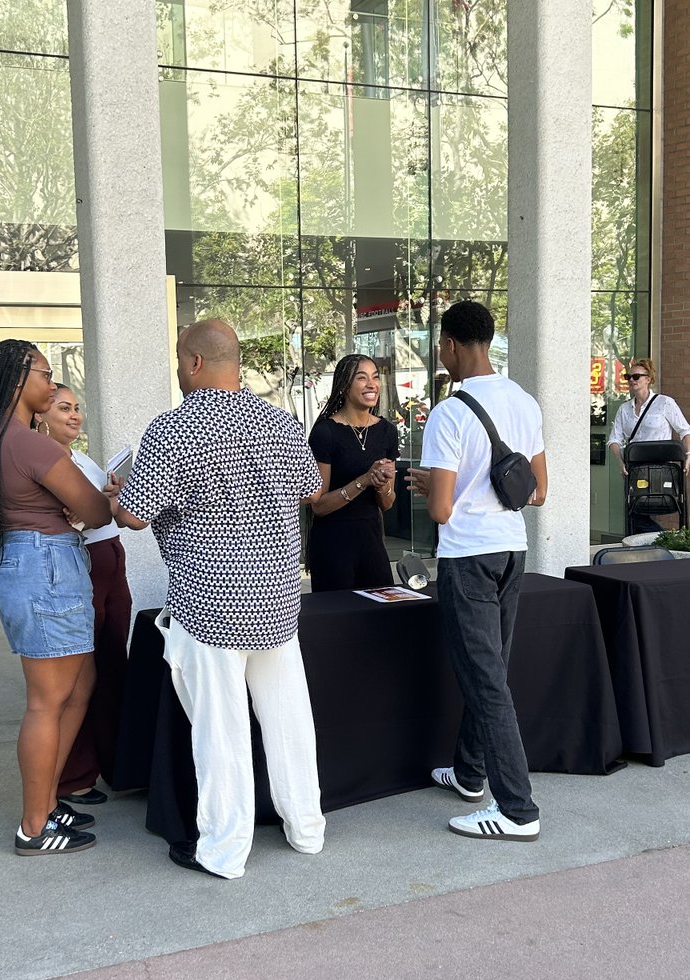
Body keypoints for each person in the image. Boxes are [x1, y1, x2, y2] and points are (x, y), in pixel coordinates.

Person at [113, 318, 326, 879]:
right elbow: (311, 487)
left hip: (212, 605)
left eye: (180, 359)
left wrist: (119, 495)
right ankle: (307, 829)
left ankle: (224, 851)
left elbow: (134, 516)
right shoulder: (281, 423)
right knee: (290, 722)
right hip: (278, 599)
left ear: (194, 363)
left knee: (221, 734)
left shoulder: (172, 429)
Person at [0, 340, 112, 856]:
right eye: (46, 375)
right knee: (47, 701)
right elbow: (95, 511)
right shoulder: (32, 445)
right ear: (16, 378)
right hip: (46, 566)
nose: (53, 386)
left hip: (33, 562)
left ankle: (46, 801)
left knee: (78, 686)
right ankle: (34, 825)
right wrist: (110, 495)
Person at [416, 300, 547, 842]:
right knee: (490, 669)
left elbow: (442, 511)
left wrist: (429, 486)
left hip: (467, 557)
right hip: (512, 550)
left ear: (449, 346)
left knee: (486, 679)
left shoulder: (448, 413)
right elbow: (538, 492)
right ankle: (469, 774)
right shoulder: (524, 401)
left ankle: (517, 809)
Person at [41, 384, 133, 807]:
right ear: (41, 415)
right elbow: (68, 518)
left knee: (112, 663)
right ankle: (72, 775)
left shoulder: (80, 456)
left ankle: (114, 763)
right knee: (81, 674)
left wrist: (113, 494)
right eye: (64, 408)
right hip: (86, 566)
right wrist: (95, 507)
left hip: (112, 560)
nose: (74, 416)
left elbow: (101, 511)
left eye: (77, 408)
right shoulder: (45, 459)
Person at [306, 354, 398, 591]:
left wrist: (381, 485)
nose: (371, 384)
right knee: (337, 622)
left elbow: (387, 504)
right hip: (333, 545)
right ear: (345, 385)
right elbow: (318, 505)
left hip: (371, 542)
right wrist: (363, 480)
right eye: (361, 378)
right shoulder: (325, 433)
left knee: (380, 618)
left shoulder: (387, 431)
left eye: (375, 377)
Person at [608, 358, 690, 532]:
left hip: (661, 467)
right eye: (628, 376)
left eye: (636, 376)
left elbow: (686, 431)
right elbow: (614, 440)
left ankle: (660, 540)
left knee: (661, 505)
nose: (632, 380)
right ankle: (658, 541)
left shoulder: (665, 403)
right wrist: (621, 462)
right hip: (636, 468)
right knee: (635, 510)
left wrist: (688, 456)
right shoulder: (624, 409)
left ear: (648, 379)